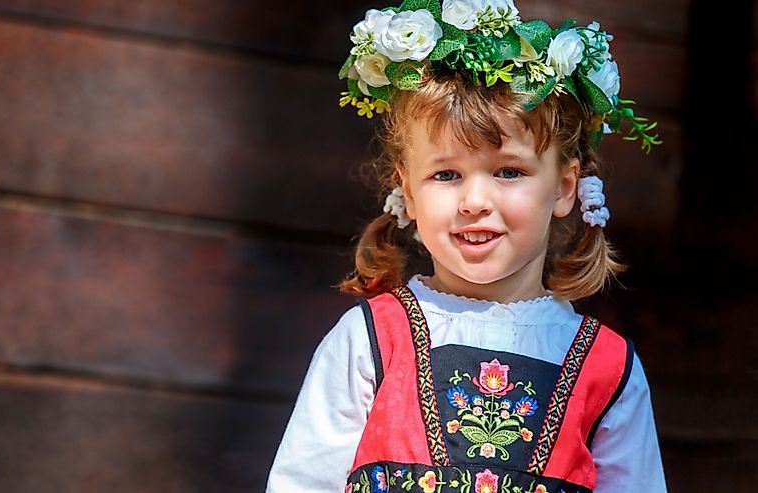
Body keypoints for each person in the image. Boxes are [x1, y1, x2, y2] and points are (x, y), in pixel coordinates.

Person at [267, 0, 667, 491]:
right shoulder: (370, 341)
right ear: (409, 192)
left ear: (564, 188)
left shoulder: (609, 367)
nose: (475, 200)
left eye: (508, 172)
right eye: (447, 174)